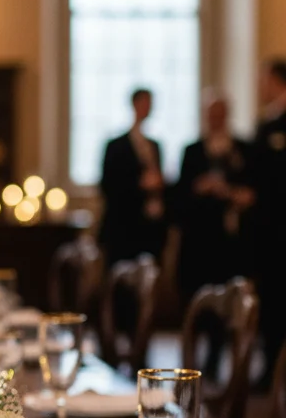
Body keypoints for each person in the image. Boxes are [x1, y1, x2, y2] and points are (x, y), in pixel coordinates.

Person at [176, 91, 255, 303]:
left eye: (220, 113)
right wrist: (199, 187)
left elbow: (253, 191)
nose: (215, 119)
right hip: (200, 240)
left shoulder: (244, 150)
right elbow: (180, 197)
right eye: (211, 114)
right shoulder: (192, 151)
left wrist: (230, 192)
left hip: (233, 240)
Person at [98, 88, 168, 266]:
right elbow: (107, 185)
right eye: (144, 103)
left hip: (150, 226)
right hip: (123, 226)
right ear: (135, 105)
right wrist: (140, 184)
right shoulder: (116, 146)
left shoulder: (155, 146)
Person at [253, 59, 286, 387]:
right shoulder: (266, 123)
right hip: (268, 235)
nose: (259, 86)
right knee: (272, 304)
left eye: (263, 80)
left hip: (278, 231)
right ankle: (271, 370)